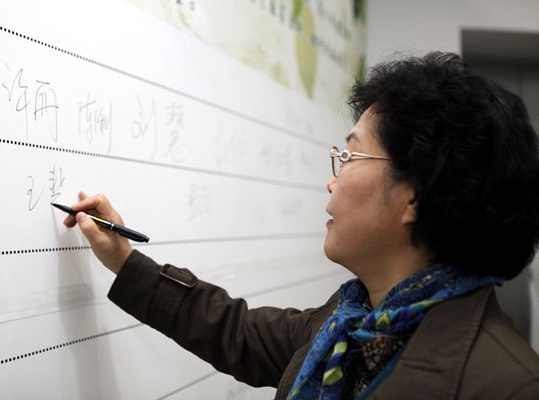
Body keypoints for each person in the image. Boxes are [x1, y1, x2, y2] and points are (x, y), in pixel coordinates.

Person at [63, 52, 539, 399]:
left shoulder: (507, 385)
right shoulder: (349, 321)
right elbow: (234, 330)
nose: (332, 179)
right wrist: (124, 259)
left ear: (414, 194)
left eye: (350, 156)